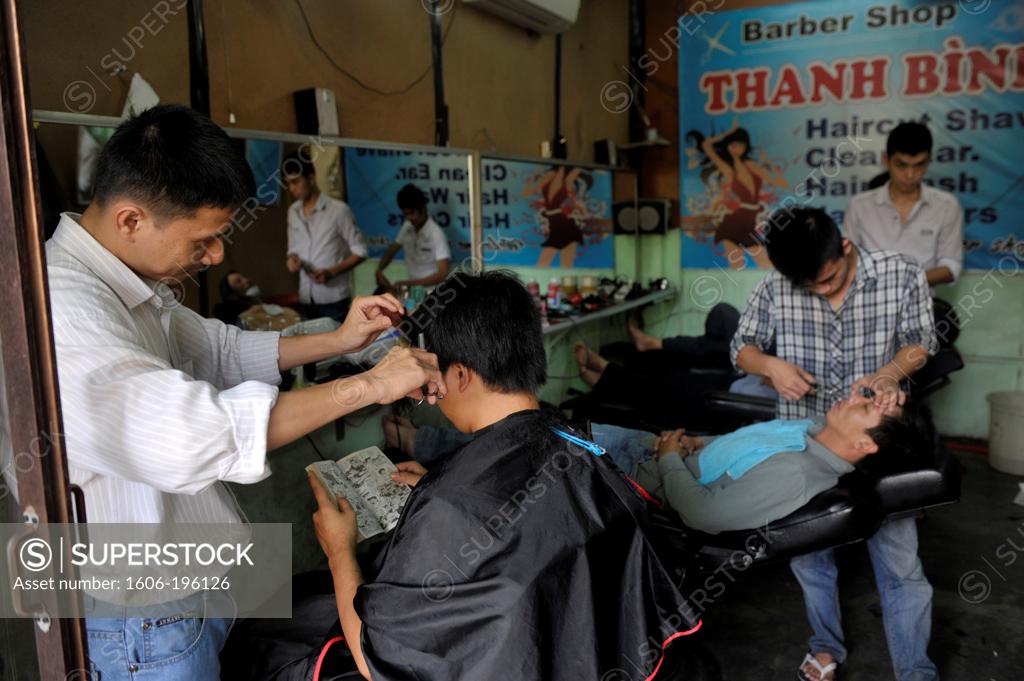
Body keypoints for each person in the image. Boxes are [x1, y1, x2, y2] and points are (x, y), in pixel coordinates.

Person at [40, 104, 445, 681]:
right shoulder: (69, 314)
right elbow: (197, 434)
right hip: (141, 618)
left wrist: (340, 339)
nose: (216, 256)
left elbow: (221, 351)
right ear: (131, 220)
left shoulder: (131, 287)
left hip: (189, 590)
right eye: (203, 240)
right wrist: (371, 385)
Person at [308, 272, 700, 680]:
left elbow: (378, 663)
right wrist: (440, 493)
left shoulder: (449, 502)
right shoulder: (578, 446)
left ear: (459, 375)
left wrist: (339, 552)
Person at [731, 207, 939, 681]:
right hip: (806, 444)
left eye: (827, 280)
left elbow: (922, 340)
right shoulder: (775, 285)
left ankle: (916, 671)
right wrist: (770, 366)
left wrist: (889, 374)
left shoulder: (899, 272)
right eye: (809, 287)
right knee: (810, 557)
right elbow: (740, 347)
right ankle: (825, 646)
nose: (821, 292)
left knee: (900, 561)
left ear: (844, 246)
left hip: (877, 448)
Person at [384, 395, 934, 534]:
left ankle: (429, 468)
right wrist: (692, 442)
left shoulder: (799, 475)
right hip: (659, 451)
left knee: (531, 442)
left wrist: (670, 460)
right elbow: (742, 442)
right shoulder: (808, 431)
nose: (852, 399)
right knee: (537, 427)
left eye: (863, 410)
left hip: (640, 479)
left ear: (867, 447)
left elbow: (700, 515)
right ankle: (429, 452)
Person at [843, 121, 964, 346]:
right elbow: (848, 262)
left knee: (933, 334)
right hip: (867, 308)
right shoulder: (859, 206)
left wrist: (901, 281)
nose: (910, 174)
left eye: (919, 165)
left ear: (929, 161)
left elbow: (951, 267)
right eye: (902, 165)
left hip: (921, 309)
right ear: (886, 160)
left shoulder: (947, 206)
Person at [684, 117, 788, 269]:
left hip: (749, 221)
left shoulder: (751, 165)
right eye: (733, 145)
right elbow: (706, 146)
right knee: (736, 264)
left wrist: (769, 163)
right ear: (727, 146)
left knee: (765, 263)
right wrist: (728, 132)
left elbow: (779, 183)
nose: (737, 148)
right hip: (734, 223)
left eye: (740, 145)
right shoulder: (728, 169)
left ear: (746, 146)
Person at [284, 149, 368, 322]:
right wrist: (292, 259)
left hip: (334, 299)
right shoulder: (293, 211)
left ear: (311, 178)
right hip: (306, 297)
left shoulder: (338, 210)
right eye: (288, 184)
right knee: (309, 347)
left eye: (295, 182)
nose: (292, 189)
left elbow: (361, 252)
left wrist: (332, 272)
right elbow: (293, 248)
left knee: (338, 348)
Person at [375, 183, 450, 291]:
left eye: (412, 213)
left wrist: (409, 283)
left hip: (433, 292)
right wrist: (379, 270)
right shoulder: (406, 227)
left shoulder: (436, 233)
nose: (409, 218)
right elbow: (391, 251)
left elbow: (442, 274)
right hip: (413, 291)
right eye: (405, 214)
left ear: (423, 209)